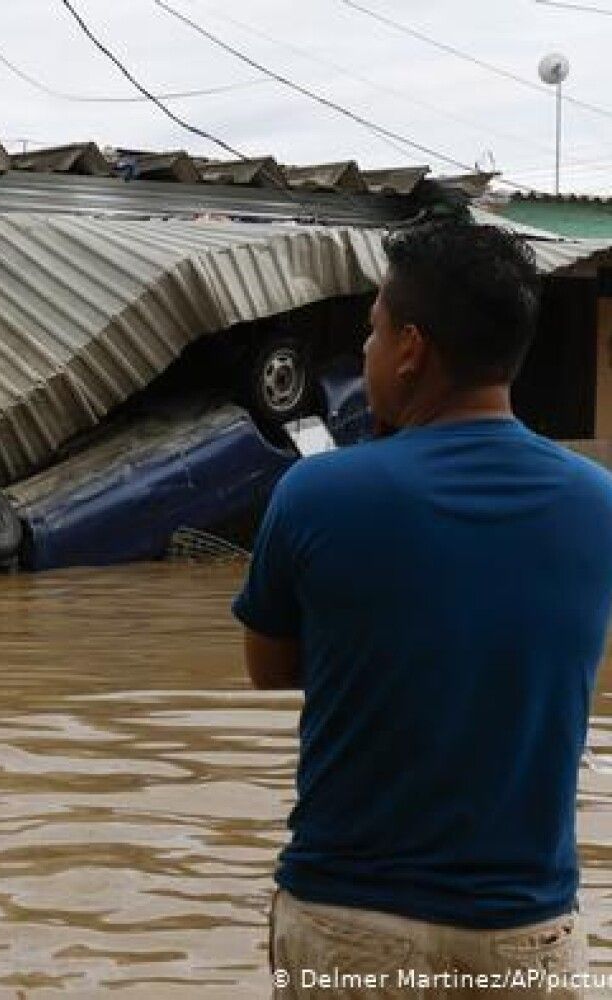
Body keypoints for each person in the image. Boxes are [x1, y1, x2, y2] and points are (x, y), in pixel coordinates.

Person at [233, 221, 612, 998]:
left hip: (350, 924)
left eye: (372, 334)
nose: (365, 357)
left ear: (412, 347)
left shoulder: (314, 493)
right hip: (523, 935)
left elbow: (268, 668)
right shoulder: (599, 505)